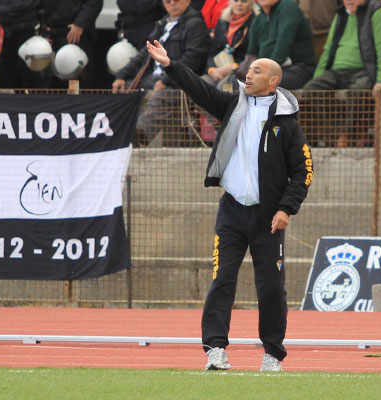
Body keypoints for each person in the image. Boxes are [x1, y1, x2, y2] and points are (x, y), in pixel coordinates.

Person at [146, 38, 313, 371]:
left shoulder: (288, 125)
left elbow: (304, 172)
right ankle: (215, 350)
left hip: (269, 218)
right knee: (222, 279)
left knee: (270, 288)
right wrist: (170, 64)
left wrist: (285, 209)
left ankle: (272, 354)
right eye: (248, 70)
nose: (247, 75)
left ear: (273, 81)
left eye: (257, 71)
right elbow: (198, 89)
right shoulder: (231, 106)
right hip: (232, 212)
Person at [112, 0, 210, 145]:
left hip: (181, 82)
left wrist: (166, 80)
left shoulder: (195, 24)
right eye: (167, 1)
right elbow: (144, 53)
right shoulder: (162, 24)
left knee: (164, 95)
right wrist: (121, 75)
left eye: (176, 0)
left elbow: (192, 61)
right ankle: (116, 132)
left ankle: (137, 138)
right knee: (123, 88)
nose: (172, 4)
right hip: (154, 77)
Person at [301, 0, 381, 147]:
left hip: (365, 70)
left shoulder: (378, 11)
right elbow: (328, 49)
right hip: (336, 71)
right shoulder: (341, 13)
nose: (348, 1)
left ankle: (348, 135)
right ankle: (342, 133)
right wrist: (318, 75)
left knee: (358, 91)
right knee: (311, 90)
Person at [238, 0, 315, 89]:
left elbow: (282, 50)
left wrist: (260, 73)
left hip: (297, 68)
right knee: (233, 82)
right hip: (267, 71)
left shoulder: (288, 7)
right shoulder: (258, 19)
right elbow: (251, 54)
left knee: (261, 84)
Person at [40, 0, 102, 88]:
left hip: (75, 34)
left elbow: (94, 3)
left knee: (77, 78)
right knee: (48, 81)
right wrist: (41, 29)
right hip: (50, 34)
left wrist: (80, 24)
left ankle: (80, 100)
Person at [202, 0, 257, 90]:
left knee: (223, 87)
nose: (239, 4)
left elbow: (254, 55)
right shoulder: (222, 21)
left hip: (243, 71)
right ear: (230, 2)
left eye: (244, 1)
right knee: (201, 83)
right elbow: (214, 51)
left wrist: (235, 67)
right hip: (218, 69)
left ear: (251, 4)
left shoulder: (255, 23)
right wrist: (211, 70)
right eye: (235, 1)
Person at [0, 0, 41, 89]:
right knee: (5, 68)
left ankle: (31, 97)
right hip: (1, 25)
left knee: (28, 68)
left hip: (26, 26)